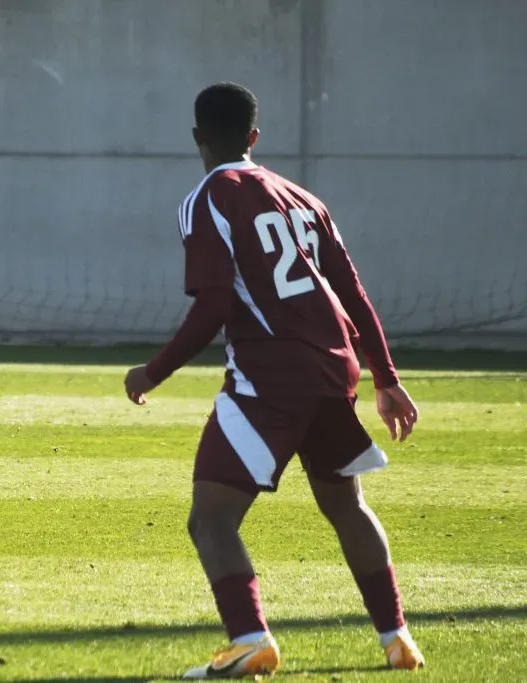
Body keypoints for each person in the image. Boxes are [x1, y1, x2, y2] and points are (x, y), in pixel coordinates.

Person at [123, 83, 424, 678]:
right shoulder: (304, 198)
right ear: (254, 137)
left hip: (269, 376)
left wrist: (152, 371)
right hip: (334, 369)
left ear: (196, 138)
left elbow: (212, 306)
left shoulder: (208, 197)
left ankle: (250, 640)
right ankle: (398, 641)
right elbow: (352, 293)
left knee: (210, 519)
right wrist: (386, 378)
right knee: (346, 506)